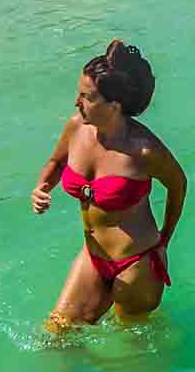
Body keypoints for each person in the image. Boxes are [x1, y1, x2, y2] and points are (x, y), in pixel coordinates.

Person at [29, 40, 186, 329]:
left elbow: (178, 184)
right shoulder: (76, 127)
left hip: (136, 265)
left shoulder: (144, 150)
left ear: (113, 105)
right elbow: (56, 162)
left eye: (86, 97)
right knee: (56, 332)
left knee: (133, 348)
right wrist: (41, 188)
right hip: (94, 256)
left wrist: (165, 239)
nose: (77, 102)